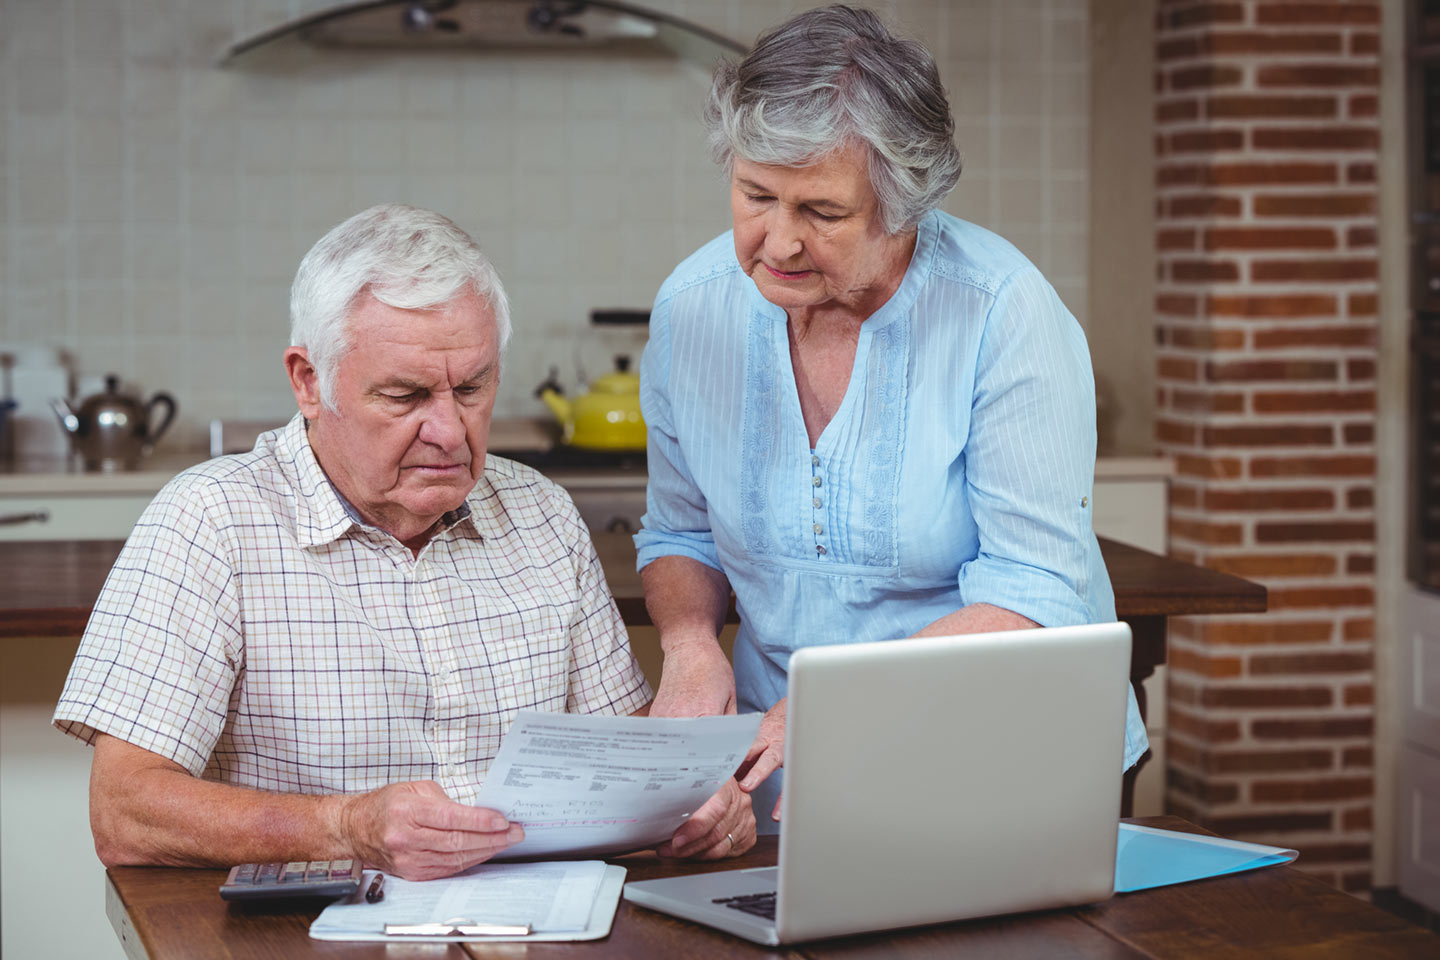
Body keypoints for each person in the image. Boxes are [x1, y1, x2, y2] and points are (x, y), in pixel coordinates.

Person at [53, 204, 754, 880]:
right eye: (404, 396)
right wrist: (344, 829)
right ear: (308, 381)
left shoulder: (541, 512)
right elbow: (125, 811)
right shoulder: (210, 521)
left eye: (472, 388)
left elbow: (632, 761)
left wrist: (696, 805)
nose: (450, 431)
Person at [636, 5, 1149, 828]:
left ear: (904, 203)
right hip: (781, 754)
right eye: (755, 194)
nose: (778, 242)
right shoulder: (692, 309)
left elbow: (1035, 585)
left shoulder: (1001, 313)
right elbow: (681, 532)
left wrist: (841, 707)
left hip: (998, 755)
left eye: (822, 212)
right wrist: (692, 646)